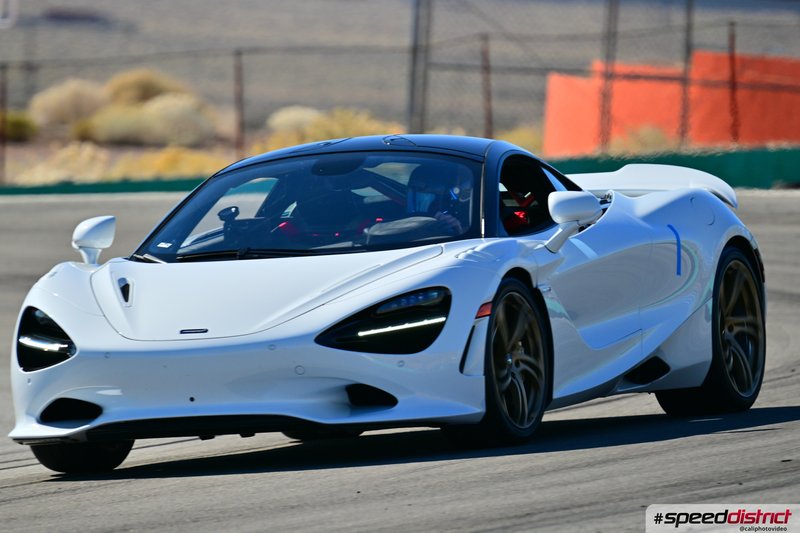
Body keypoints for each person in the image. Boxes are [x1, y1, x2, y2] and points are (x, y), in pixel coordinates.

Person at [405, 162, 472, 234]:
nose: (414, 192)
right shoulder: (397, 210)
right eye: (412, 188)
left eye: (419, 189)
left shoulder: (452, 223)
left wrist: (453, 229)